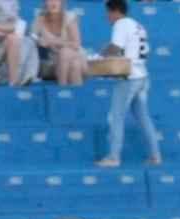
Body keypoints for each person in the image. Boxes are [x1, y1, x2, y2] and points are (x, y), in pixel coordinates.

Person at [95, 0, 161, 168]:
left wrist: (99, 55)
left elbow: (115, 48)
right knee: (143, 117)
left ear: (115, 11)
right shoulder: (138, 25)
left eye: (108, 12)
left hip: (129, 77)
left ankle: (114, 157)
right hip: (142, 76)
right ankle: (155, 155)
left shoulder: (121, 24)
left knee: (116, 116)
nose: (107, 16)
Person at [32, 0, 86, 86]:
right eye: (50, 0)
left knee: (65, 53)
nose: (53, 3)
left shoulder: (69, 17)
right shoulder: (39, 20)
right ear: (45, 3)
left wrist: (52, 41)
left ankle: (62, 88)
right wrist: (39, 42)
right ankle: (74, 97)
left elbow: (76, 45)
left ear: (62, 2)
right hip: (54, 62)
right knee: (75, 65)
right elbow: (32, 40)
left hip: (75, 55)